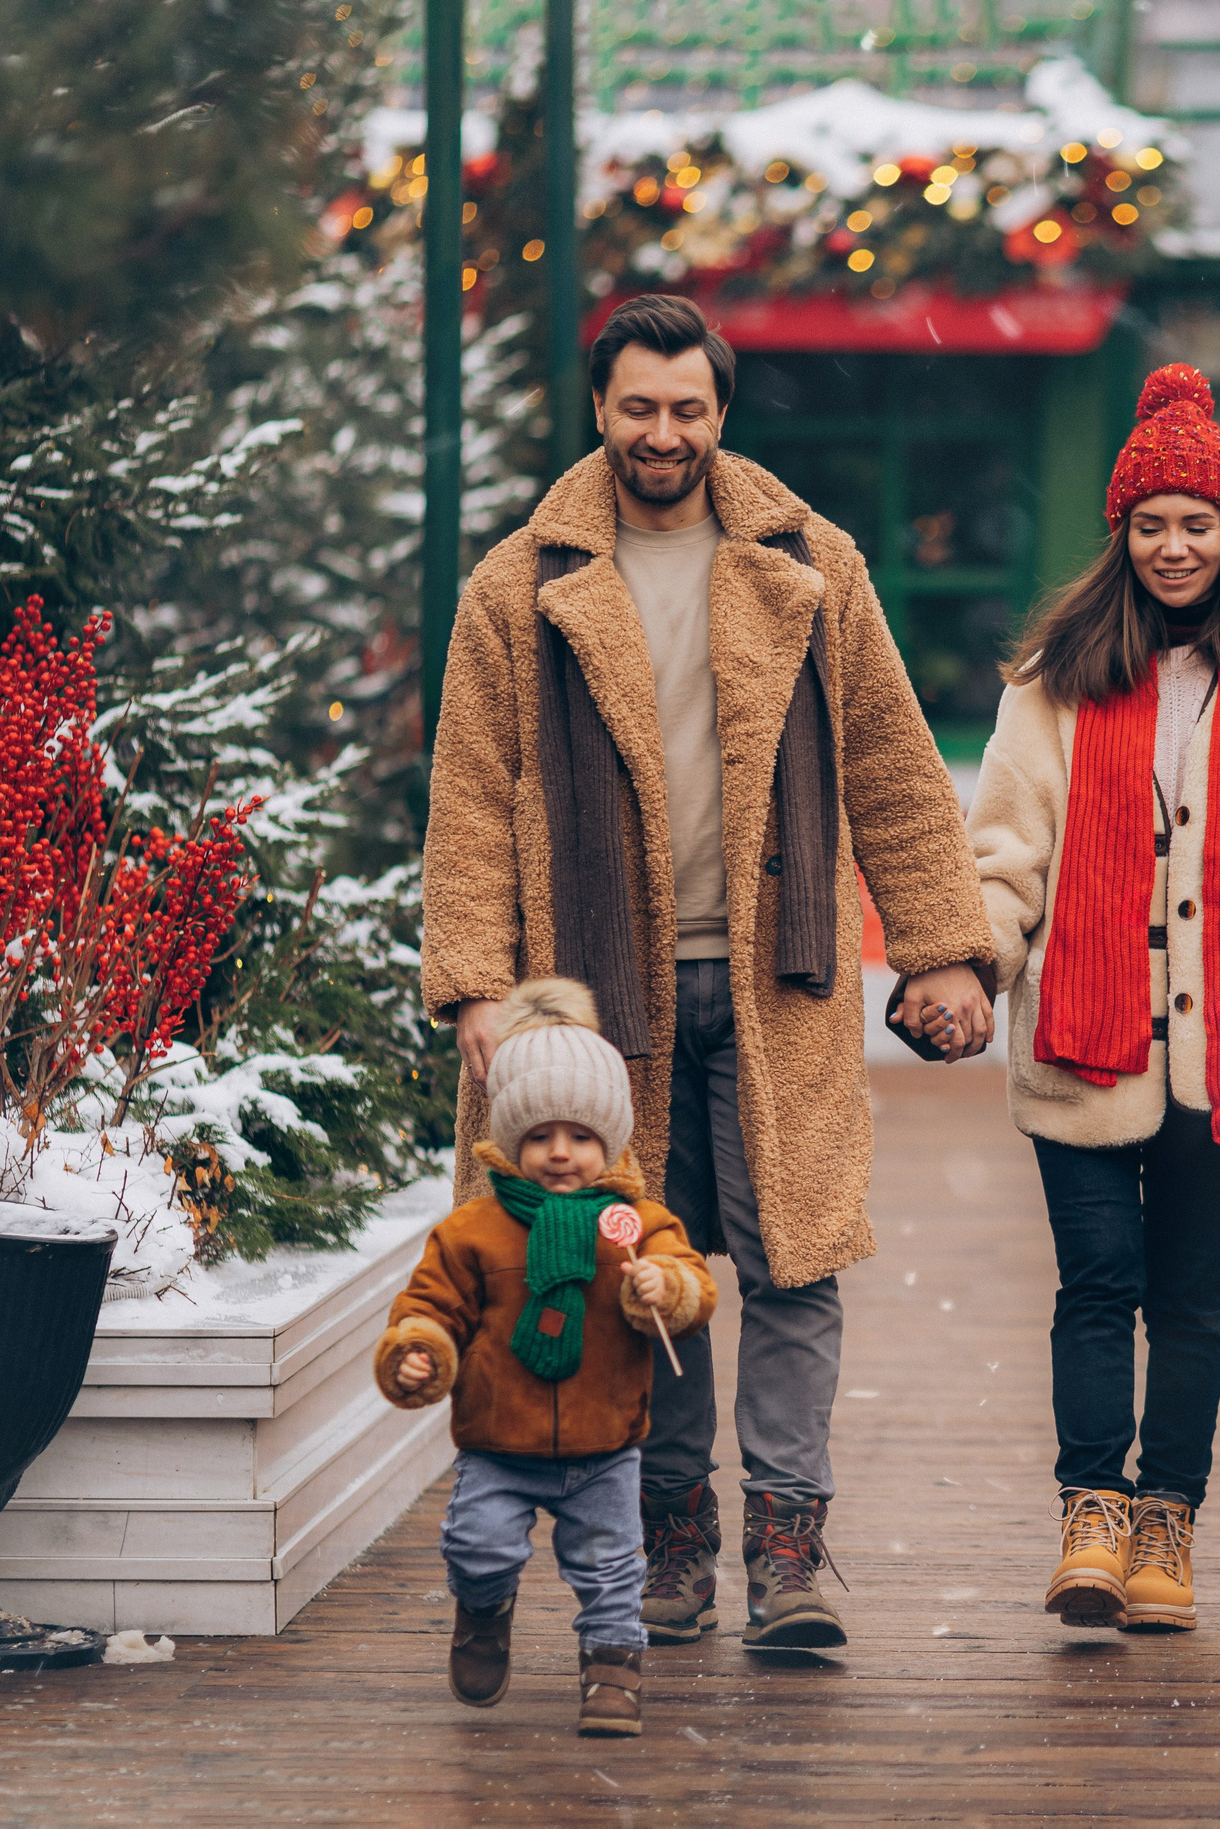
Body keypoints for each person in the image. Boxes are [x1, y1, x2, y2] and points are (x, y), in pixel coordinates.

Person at [422, 294, 996, 1652]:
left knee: (797, 1266)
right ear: (601, 412)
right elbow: (470, 800)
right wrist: (474, 987)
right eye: (638, 407)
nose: (662, 433)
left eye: (687, 408)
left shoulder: (812, 563)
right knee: (635, 1264)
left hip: (776, 980)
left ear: (720, 414)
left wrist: (942, 951)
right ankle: (668, 1545)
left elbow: (893, 770)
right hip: (589, 995)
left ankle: (788, 1557)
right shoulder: (520, 584)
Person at [967, 364, 1220, 1633]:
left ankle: (1167, 1526)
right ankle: (1090, 1512)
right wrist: (974, 962)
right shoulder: (1054, 675)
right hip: (1076, 1041)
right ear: (1121, 535)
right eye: (1150, 524)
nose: (1173, 545)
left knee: (1190, 1299)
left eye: (1194, 523)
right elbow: (1005, 844)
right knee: (1096, 1280)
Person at [373, 978, 718, 1736]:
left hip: (604, 1442)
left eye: (582, 1136)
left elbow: (693, 1285)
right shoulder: (476, 1230)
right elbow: (430, 1306)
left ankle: (611, 1668)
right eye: (539, 1136)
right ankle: (485, 1610)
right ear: (510, 1140)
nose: (561, 1152)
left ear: (612, 1141)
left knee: (611, 1565)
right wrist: (420, 1350)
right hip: (499, 1439)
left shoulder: (638, 1225)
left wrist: (666, 1289)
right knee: (477, 1541)